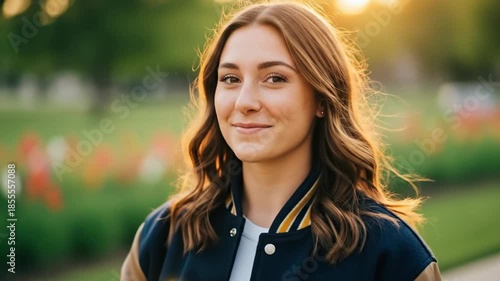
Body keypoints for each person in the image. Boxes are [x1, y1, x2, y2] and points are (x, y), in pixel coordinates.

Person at [121, 1, 442, 280]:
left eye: (274, 78)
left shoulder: (390, 252)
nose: (244, 101)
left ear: (321, 99)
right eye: (230, 79)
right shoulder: (164, 234)